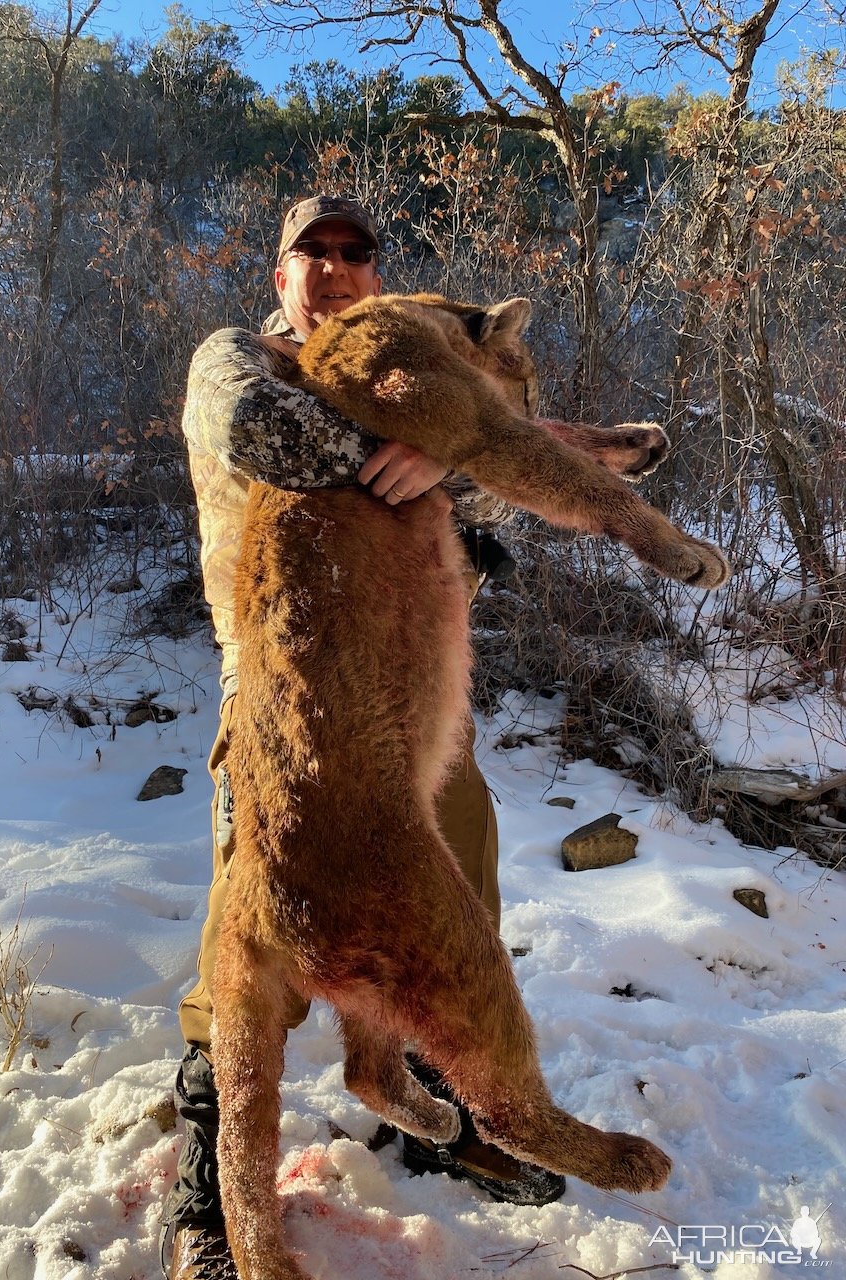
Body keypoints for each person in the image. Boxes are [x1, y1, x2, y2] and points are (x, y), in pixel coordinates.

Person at [161, 195, 564, 1280]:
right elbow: (269, 435)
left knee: (457, 905)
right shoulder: (238, 357)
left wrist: (456, 471)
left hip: (418, 710)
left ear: (377, 275)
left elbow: (508, 493)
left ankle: (455, 1110)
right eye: (313, 253)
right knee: (255, 952)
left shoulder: (415, 376)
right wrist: (444, 446)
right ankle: (210, 1190)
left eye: (356, 253)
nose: (335, 268)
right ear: (279, 274)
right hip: (285, 709)